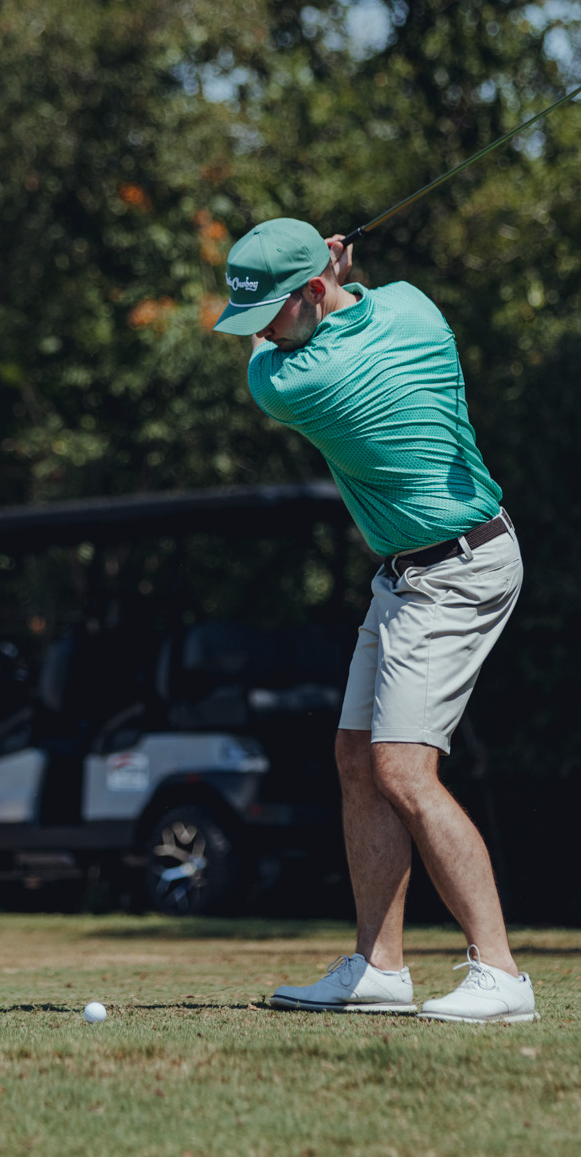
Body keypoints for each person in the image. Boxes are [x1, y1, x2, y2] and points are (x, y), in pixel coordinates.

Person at [212, 217, 533, 1023]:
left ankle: (500, 973)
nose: (260, 333)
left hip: (457, 573)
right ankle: (379, 967)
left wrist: (323, 272)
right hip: (413, 572)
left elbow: (266, 364)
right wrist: (336, 272)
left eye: (268, 315)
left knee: (402, 769)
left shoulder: (292, 383)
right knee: (357, 756)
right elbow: (360, 304)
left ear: (311, 291)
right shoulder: (414, 307)